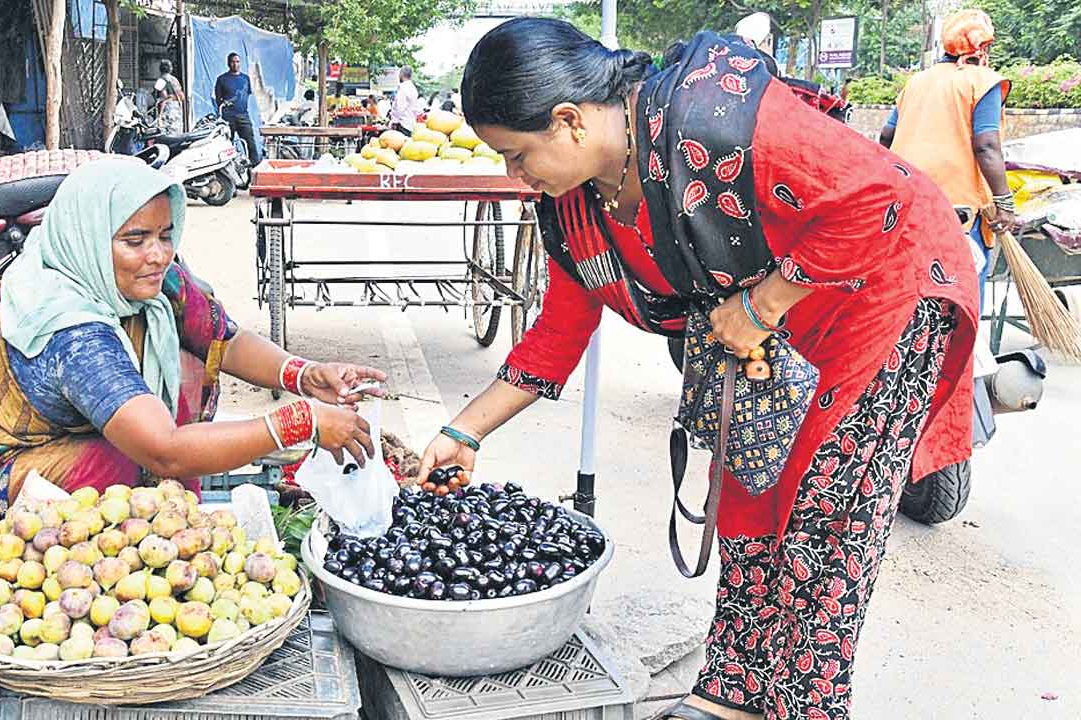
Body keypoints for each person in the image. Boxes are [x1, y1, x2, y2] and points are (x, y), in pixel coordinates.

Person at [417, 18, 976, 720]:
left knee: (819, 519)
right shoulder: (576, 208)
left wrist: (765, 303)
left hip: (879, 284)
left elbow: (882, 199)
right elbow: (558, 334)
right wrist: (462, 434)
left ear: (567, 122)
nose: (514, 175)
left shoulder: (713, 116)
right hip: (775, 316)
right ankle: (733, 694)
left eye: (517, 154)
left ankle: (803, 706)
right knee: (745, 500)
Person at [0, 157, 386, 550]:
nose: (158, 254)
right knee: (129, 464)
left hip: (42, 448)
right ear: (91, 239)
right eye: (135, 239)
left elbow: (221, 337)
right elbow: (163, 449)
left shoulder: (144, 280)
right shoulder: (71, 329)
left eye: (165, 235)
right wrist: (296, 424)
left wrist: (302, 374)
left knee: (166, 403)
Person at [880, 9, 1013, 308]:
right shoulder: (982, 82)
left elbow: (887, 136)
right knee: (958, 304)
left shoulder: (917, 82)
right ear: (982, 47)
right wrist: (1004, 203)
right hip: (958, 216)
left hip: (908, 207)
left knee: (910, 299)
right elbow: (987, 146)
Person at [214, 52, 261, 166]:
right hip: (228, 117)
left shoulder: (245, 79)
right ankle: (227, 167)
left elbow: (247, 94)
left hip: (243, 115)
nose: (235, 64)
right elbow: (218, 98)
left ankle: (254, 166)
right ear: (228, 64)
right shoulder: (222, 79)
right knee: (227, 144)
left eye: (237, 62)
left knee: (250, 142)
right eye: (233, 62)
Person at [153, 59, 186, 135]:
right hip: (177, 109)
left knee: (166, 134)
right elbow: (182, 96)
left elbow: (162, 97)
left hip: (167, 110)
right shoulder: (174, 80)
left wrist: (159, 117)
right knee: (177, 133)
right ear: (170, 69)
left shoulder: (161, 80)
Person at [390, 65, 421, 133]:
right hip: (411, 124)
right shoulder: (413, 88)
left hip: (403, 124)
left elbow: (400, 107)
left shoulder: (403, 87)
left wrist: (394, 121)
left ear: (401, 74)